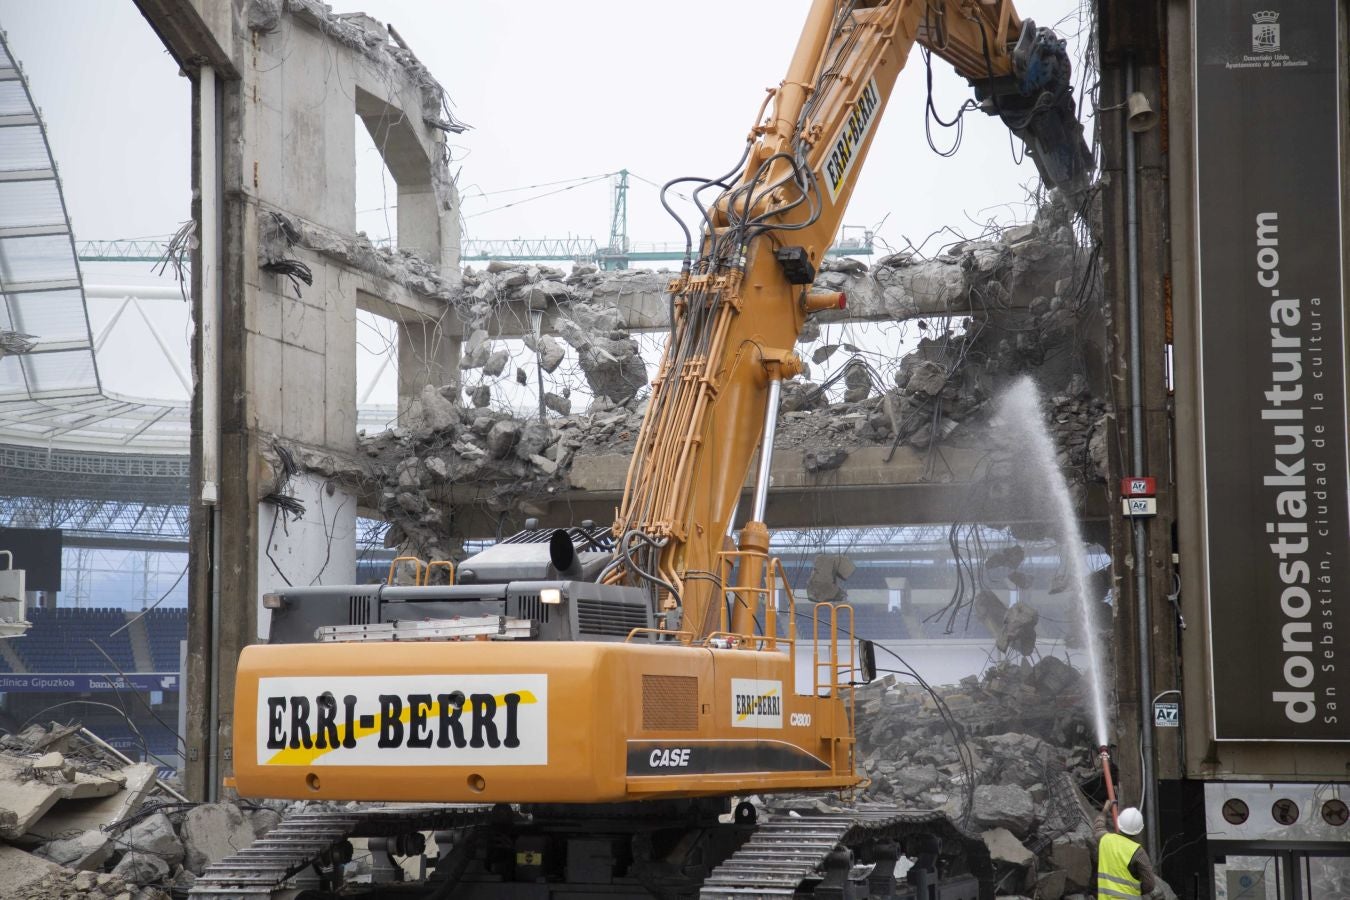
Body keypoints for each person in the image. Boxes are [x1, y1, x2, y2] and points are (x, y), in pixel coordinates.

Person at [1094, 800, 1157, 899]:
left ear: (1119, 823)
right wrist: (1136, 889)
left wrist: (1105, 809)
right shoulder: (1138, 852)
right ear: (1138, 831)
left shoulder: (1105, 839)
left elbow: (1098, 827)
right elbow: (1150, 884)